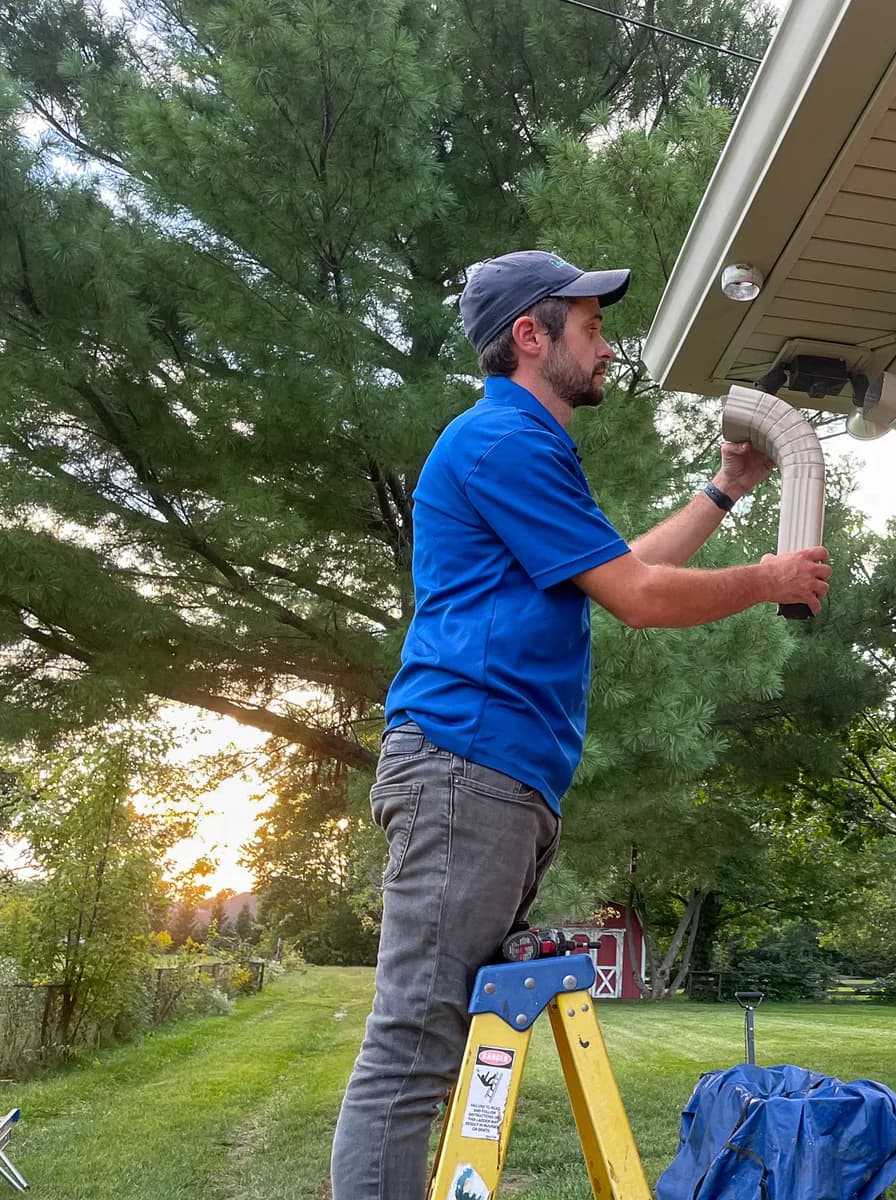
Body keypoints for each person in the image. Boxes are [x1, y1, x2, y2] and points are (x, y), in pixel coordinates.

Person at [330, 250, 830, 1199]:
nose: (607, 346)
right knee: (410, 1056)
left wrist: (724, 492)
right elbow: (639, 597)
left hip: (494, 779)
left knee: (426, 1051)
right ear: (532, 335)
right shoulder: (502, 442)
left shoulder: (524, 445)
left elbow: (617, 572)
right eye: (591, 326)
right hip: (463, 767)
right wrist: (769, 579)